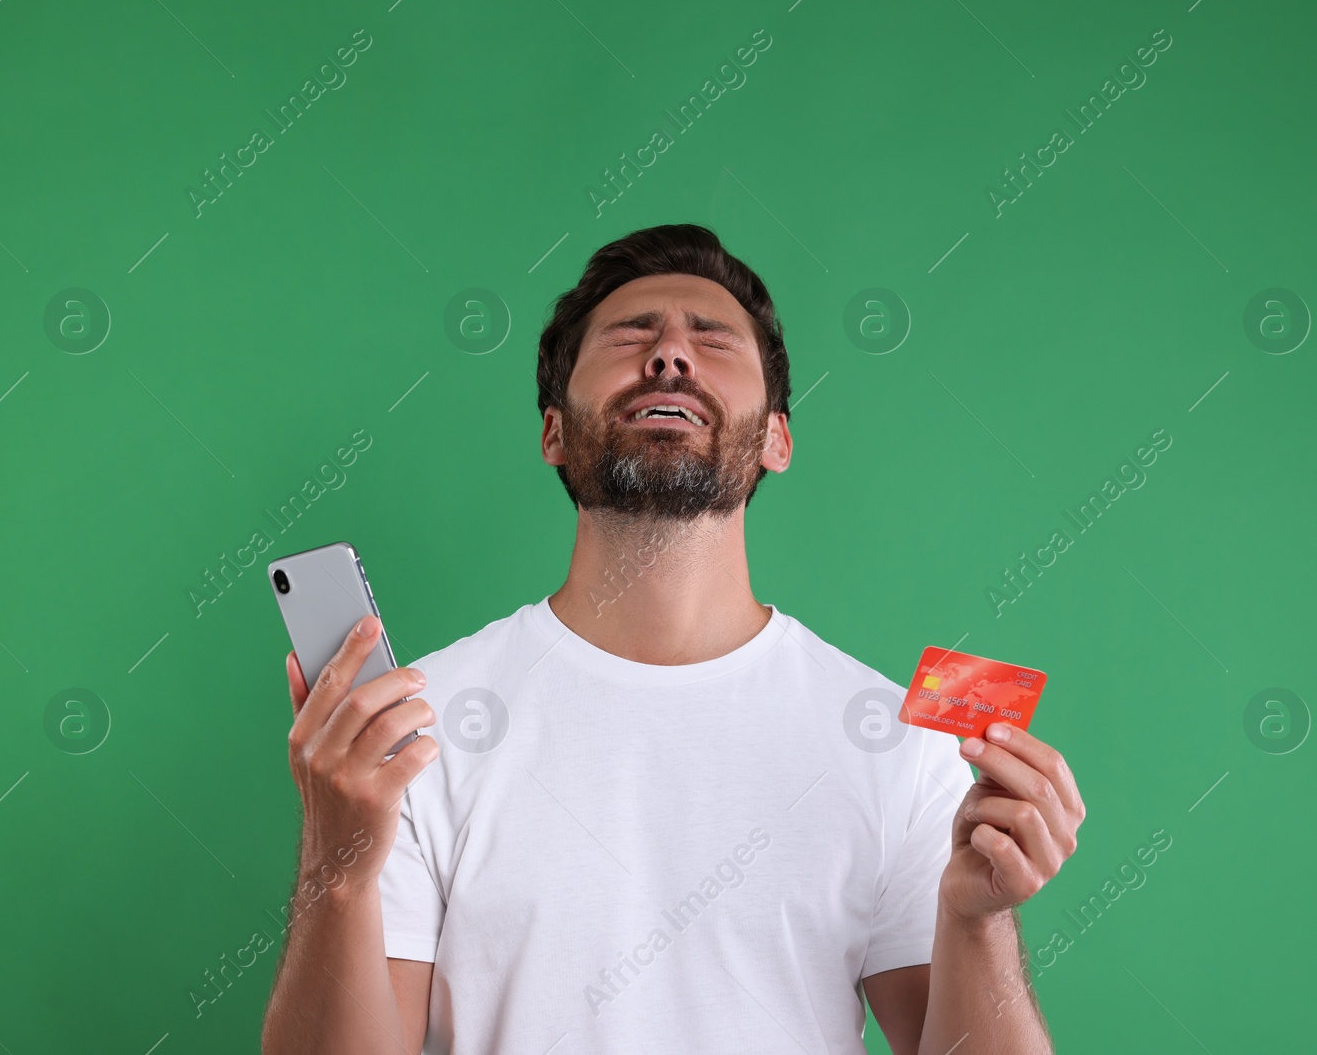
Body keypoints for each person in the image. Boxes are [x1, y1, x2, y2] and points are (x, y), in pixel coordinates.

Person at [261, 223, 1085, 1054]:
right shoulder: (411, 736)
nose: (669, 356)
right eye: (632, 335)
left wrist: (978, 919)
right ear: (553, 432)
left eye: (712, 337)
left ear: (776, 437)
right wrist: (337, 865)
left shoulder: (895, 740)